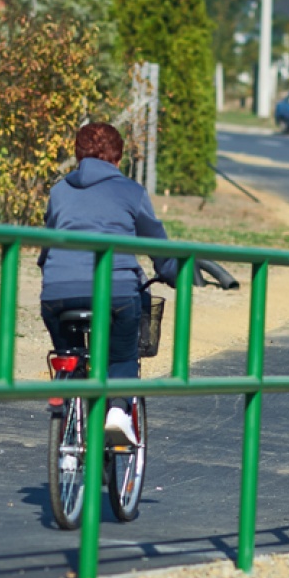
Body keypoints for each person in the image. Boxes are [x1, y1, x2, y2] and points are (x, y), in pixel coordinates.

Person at [38, 122, 177, 445]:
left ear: (79, 157)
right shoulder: (131, 191)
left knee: (68, 351)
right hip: (115, 292)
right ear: (118, 159)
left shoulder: (59, 191)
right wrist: (171, 271)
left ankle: (66, 391)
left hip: (58, 292)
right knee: (122, 356)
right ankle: (116, 410)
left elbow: (46, 247)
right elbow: (158, 245)